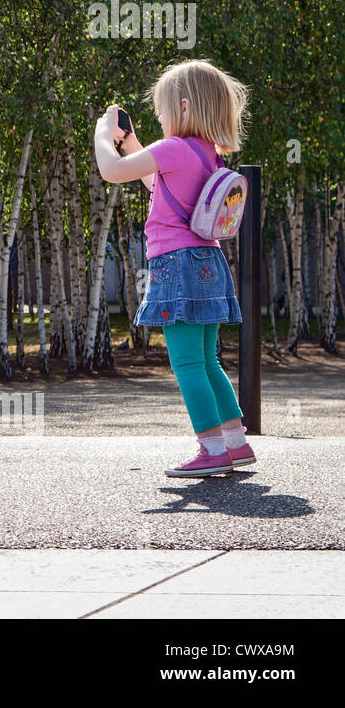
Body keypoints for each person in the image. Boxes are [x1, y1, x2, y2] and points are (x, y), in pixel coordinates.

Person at [94, 58, 253, 478]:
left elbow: (112, 172)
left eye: (163, 109)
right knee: (207, 359)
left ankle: (210, 448)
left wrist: (101, 131)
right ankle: (235, 443)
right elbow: (154, 180)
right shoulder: (207, 154)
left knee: (185, 363)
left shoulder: (172, 150)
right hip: (208, 263)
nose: (160, 117)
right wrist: (130, 142)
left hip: (175, 265)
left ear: (182, 107)